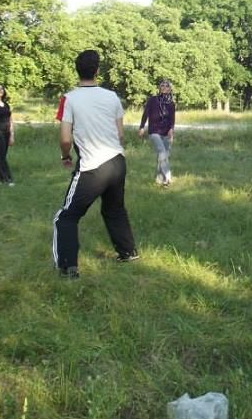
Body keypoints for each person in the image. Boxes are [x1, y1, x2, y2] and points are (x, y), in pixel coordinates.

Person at [52, 50, 139, 278]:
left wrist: (66, 157)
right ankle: (128, 252)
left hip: (92, 167)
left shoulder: (69, 98)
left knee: (66, 217)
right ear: (97, 71)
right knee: (114, 209)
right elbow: (120, 135)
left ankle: (67, 267)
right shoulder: (112, 97)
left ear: (77, 71)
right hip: (117, 162)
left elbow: (64, 138)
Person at [138, 80, 176, 187]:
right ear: (159, 88)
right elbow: (145, 114)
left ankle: (160, 179)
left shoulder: (171, 104)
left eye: (166, 86)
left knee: (163, 155)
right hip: (154, 131)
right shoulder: (152, 100)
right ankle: (168, 176)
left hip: (166, 132)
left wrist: (171, 129)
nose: (164, 87)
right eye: (162, 85)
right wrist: (142, 127)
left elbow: (172, 119)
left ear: (170, 89)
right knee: (162, 151)